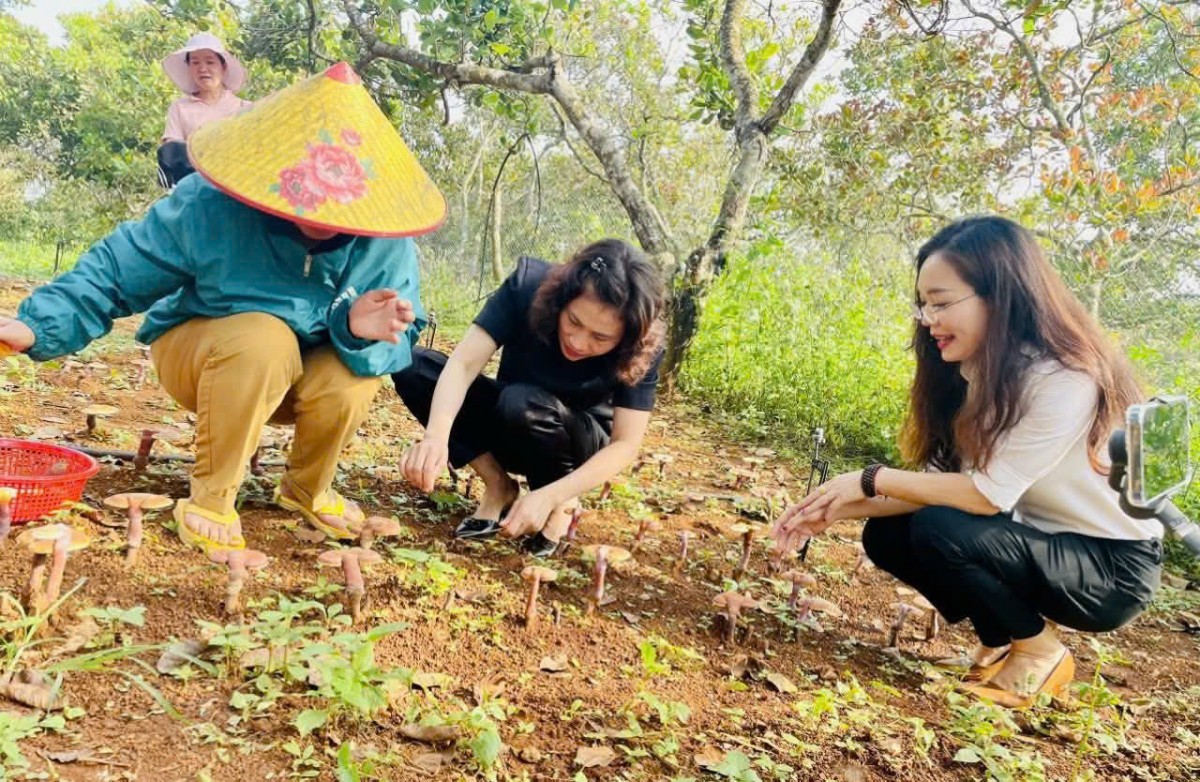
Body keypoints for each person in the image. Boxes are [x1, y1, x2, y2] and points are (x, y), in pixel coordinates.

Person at [0, 62, 447, 552]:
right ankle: (212, 498)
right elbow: (118, 269)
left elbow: (400, 334)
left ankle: (307, 489)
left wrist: (356, 330)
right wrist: (37, 325)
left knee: (351, 378)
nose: (320, 216)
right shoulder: (210, 204)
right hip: (208, 353)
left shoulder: (386, 242)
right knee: (264, 337)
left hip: (302, 378)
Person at [772, 216, 1161, 708]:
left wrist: (871, 479)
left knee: (940, 527)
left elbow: (984, 495)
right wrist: (833, 508)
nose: (927, 319)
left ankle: (1041, 654)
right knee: (888, 534)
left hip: (1111, 569)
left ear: (999, 296)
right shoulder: (983, 371)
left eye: (941, 303)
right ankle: (1001, 645)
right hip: (1044, 542)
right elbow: (940, 482)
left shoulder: (1065, 379)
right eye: (923, 305)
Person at [394, 240, 665, 556]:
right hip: (509, 418)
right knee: (413, 365)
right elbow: (464, 364)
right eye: (574, 321)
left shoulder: (643, 342)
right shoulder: (528, 286)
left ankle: (559, 503)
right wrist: (436, 437)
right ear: (561, 300)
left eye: (600, 337)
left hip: (577, 445)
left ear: (626, 336)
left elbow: (625, 443)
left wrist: (551, 495)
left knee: (525, 403)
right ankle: (499, 486)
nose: (578, 342)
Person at [158, 33, 253, 187]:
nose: (203, 69)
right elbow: (173, 155)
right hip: (194, 192)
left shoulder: (245, 108)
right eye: (195, 63)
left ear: (223, 67)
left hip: (237, 190)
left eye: (210, 62)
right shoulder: (180, 108)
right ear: (189, 67)